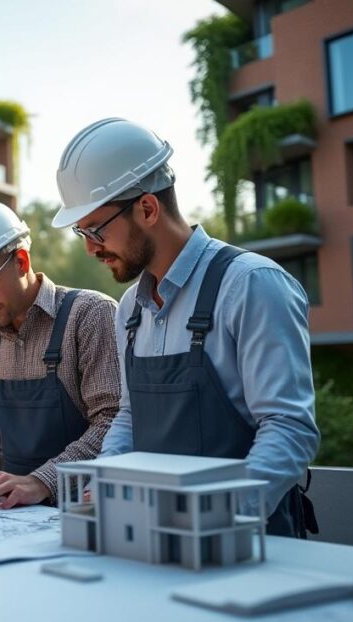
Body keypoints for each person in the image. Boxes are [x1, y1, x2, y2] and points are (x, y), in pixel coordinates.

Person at [52, 118, 319, 537]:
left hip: (248, 544)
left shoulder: (251, 285)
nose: (89, 247)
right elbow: (130, 416)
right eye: (80, 231)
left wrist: (220, 519)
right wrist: (105, 481)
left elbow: (290, 428)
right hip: (157, 539)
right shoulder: (129, 310)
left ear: (147, 208)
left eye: (96, 229)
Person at [0, 199, 122, 510]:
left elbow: (113, 422)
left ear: (22, 262)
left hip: (84, 512)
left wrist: (42, 481)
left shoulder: (90, 316)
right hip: (14, 520)